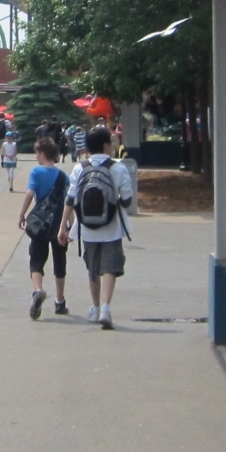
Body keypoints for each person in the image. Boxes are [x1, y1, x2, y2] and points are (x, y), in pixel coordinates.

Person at [60, 126, 136, 330]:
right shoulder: (118, 168)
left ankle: (94, 308)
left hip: (87, 227)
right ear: (105, 145)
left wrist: (63, 227)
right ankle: (105, 308)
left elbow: (70, 199)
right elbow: (127, 201)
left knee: (93, 269)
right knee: (110, 267)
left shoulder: (80, 168)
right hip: (112, 226)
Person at [18, 138, 70, 319]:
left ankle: (38, 290)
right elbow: (68, 203)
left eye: (37, 153)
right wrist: (69, 227)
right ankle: (60, 301)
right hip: (59, 225)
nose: (36, 157)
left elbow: (30, 193)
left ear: (41, 154)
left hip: (40, 225)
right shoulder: (63, 176)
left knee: (36, 260)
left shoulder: (36, 172)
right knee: (60, 261)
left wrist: (22, 214)